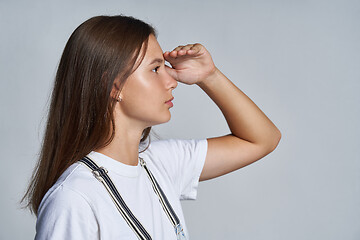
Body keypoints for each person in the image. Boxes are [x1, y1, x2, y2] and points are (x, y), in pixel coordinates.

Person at [22, 15, 281, 239]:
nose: (172, 80)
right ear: (114, 86)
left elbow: (262, 139)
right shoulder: (74, 198)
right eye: (156, 69)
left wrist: (209, 76)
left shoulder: (161, 164)